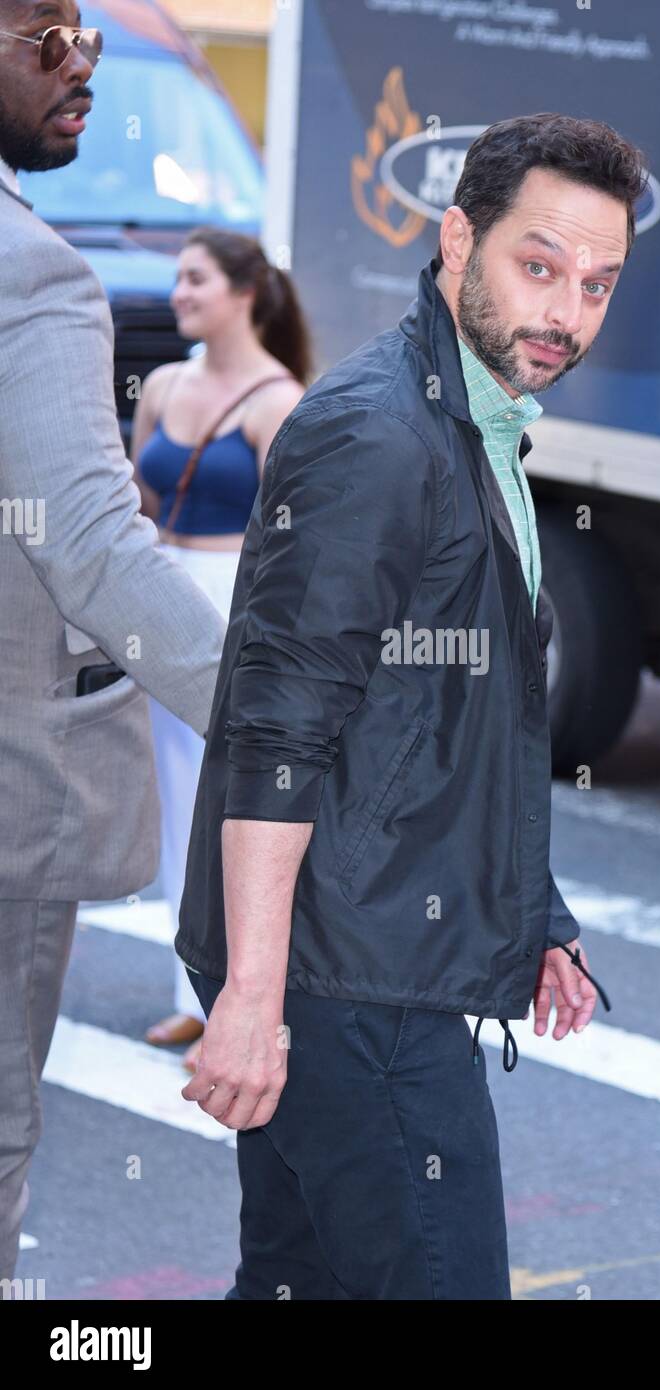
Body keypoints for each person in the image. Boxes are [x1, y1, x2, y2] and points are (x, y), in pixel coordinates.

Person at [177, 112, 640, 1300]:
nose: (567, 315)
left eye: (597, 284)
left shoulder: (471, 423)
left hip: (366, 956)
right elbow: (280, 729)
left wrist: (534, 906)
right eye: (538, 266)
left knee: (296, 1282)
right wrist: (253, 997)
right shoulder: (379, 436)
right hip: (351, 986)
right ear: (455, 239)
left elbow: (454, 723)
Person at [0, 0, 228, 1286]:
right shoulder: (32, 271)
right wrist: (285, 711)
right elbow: (91, 545)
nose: (78, 55)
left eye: (82, 27)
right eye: (39, 31)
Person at [131, 230, 310, 1071]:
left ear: (243, 291)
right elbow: (132, 501)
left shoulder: (280, 401)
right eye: (176, 279)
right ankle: (187, 990)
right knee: (174, 799)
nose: (177, 293)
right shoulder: (163, 384)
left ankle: (242, 985)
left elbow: (294, 537)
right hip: (160, 600)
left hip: (234, 607)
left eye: (194, 278)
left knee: (234, 803)